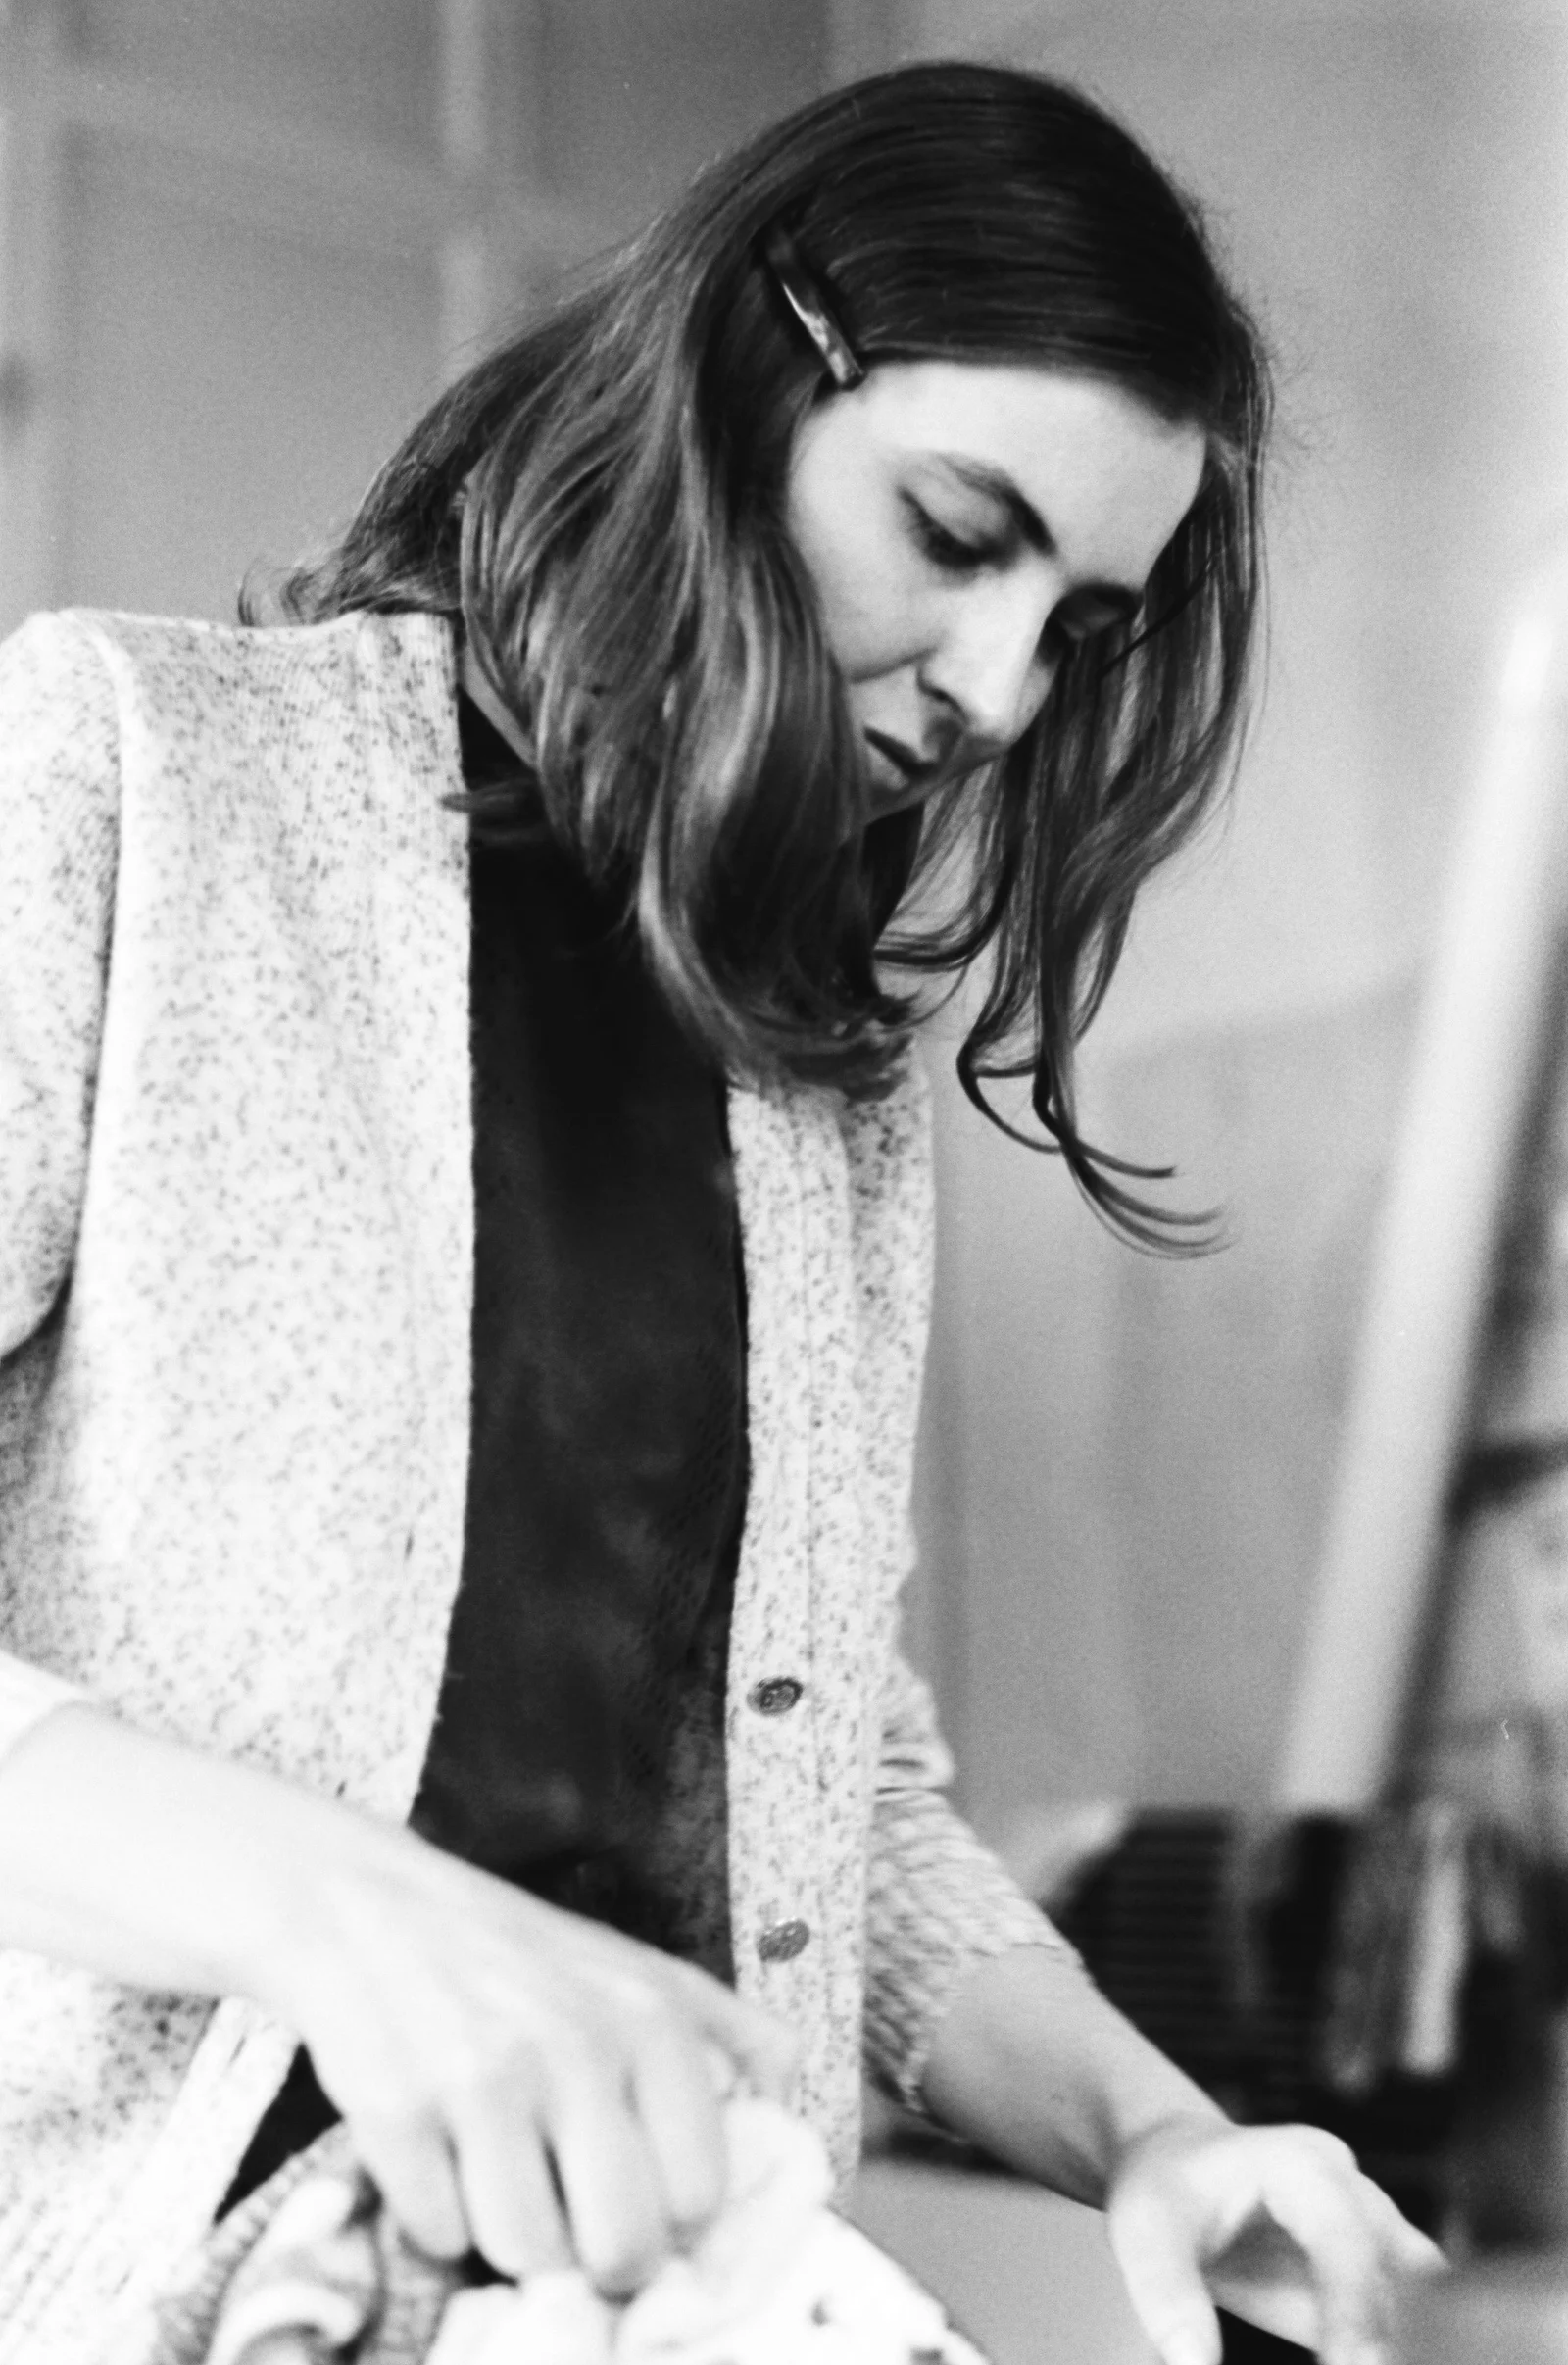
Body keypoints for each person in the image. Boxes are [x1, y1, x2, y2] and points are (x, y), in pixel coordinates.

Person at [0, 58, 1436, 2365]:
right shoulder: (133, 772)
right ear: (733, 385)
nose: (998, 689)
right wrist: (342, 1918)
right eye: (953, 533)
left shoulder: (818, 1080)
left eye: (1075, 626)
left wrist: (1157, 2135)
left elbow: (828, 1800)